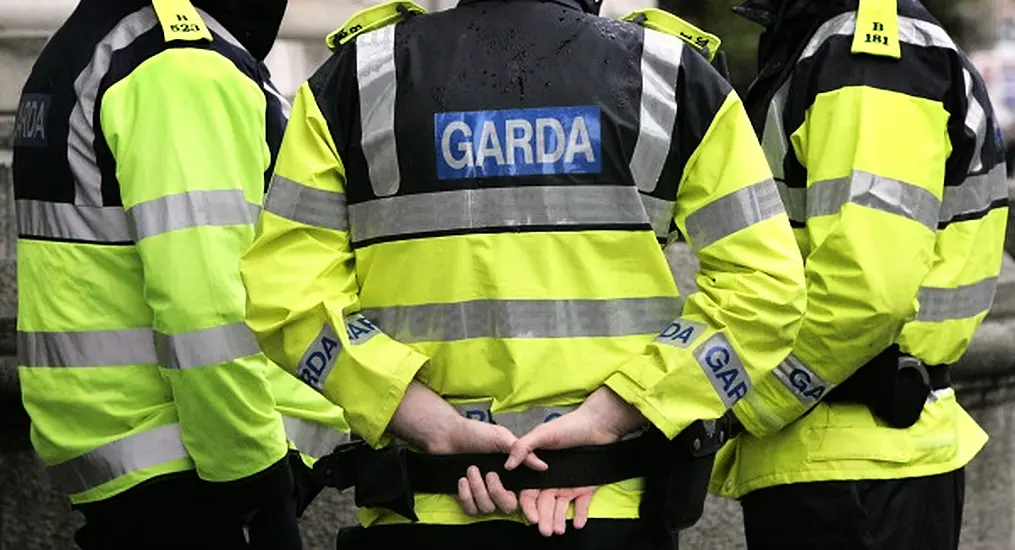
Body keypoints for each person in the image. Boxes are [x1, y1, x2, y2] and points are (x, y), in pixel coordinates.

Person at [240, 0, 808, 548]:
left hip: (424, 503)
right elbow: (765, 290)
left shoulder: (360, 78)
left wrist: (422, 419)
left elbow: (286, 293)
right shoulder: (669, 75)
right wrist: (615, 414)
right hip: (607, 502)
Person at [12, 0, 347, 548]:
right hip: (203, 471)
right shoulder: (177, 66)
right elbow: (205, 305)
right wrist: (255, 481)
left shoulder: (96, 43)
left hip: (141, 466)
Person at [710, 0, 1010, 549]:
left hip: (848, 461)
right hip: (858, 453)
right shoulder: (842, 40)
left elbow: (867, 289)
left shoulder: (865, 53)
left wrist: (742, 404)